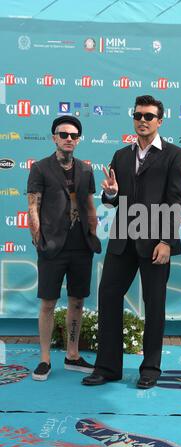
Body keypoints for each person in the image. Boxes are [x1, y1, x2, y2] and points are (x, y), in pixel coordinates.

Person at [82, 95, 181, 389]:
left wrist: (167, 241)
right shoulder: (121, 156)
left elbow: (175, 201)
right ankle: (107, 368)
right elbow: (112, 200)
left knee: (155, 305)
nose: (143, 120)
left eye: (149, 116)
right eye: (138, 115)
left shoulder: (175, 155)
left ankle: (150, 369)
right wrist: (112, 193)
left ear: (159, 121)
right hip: (122, 241)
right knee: (107, 298)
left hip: (156, 241)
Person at [27, 115, 101, 381]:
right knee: (48, 303)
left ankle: (72, 353)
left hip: (81, 245)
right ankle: (45, 359)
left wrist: (93, 233)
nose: (68, 138)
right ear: (54, 137)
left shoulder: (85, 169)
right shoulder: (40, 168)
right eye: (63, 134)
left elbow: (90, 204)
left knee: (78, 301)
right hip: (51, 246)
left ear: (78, 140)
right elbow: (33, 205)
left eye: (73, 135)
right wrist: (38, 239)